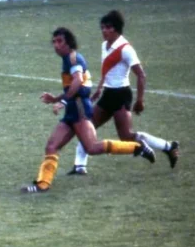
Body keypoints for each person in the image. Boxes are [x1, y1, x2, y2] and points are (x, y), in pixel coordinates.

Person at [21, 27, 156, 194]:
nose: (56, 45)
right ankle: (43, 184)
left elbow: (77, 82)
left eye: (60, 41)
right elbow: (77, 85)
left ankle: (137, 147)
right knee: (51, 145)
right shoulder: (67, 59)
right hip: (73, 108)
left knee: (91, 147)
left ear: (69, 43)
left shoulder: (73, 59)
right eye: (54, 42)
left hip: (79, 108)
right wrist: (55, 99)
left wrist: (62, 101)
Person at [69, 11, 179, 175]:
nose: (103, 31)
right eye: (102, 27)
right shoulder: (104, 45)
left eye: (107, 28)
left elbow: (141, 75)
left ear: (116, 29)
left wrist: (140, 100)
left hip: (121, 95)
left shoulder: (126, 49)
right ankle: (80, 167)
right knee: (87, 126)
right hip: (108, 94)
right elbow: (107, 70)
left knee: (126, 136)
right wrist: (100, 88)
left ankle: (168, 147)